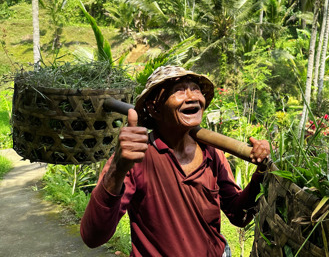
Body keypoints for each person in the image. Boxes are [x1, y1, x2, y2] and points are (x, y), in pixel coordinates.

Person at [80, 66, 270, 257]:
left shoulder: (212, 153)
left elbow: (239, 215)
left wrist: (260, 172)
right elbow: (92, 237)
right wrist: (117, 170)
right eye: (179, 90)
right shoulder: (136, 158)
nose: (192, 97)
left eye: (195, 89)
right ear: (154, 109)